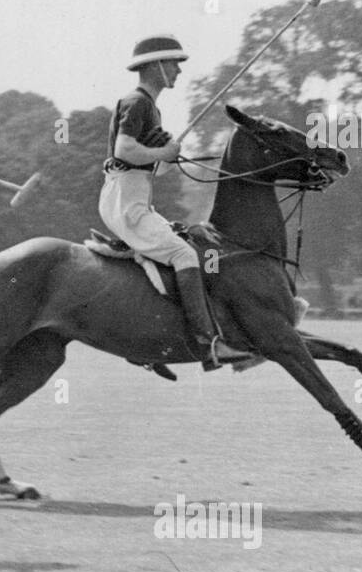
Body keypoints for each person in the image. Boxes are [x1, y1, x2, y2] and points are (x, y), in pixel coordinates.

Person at [98, 34, 249, 371]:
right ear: (156, 66)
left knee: (188, 244)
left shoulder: (151, 107)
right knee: (182, 254)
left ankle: (151, 346)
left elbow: (152, 166)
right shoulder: (138, 103)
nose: (179, 71)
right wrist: (161, 153)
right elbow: (123, 150)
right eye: (173, 64)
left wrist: (168, 158)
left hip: (134, 195)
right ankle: (207, 341)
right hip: (126, 200)